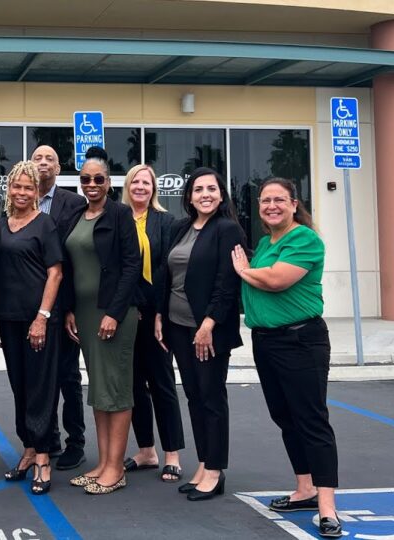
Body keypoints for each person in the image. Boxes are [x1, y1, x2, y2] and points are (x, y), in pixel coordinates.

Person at [231, 177, 341, 538]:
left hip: (300, 340)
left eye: (279, 199)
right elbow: (260, 280)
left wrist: (244, 271)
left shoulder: (305, 239)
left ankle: (327, 507)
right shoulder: (266, 243)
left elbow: (277, 280)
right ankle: (305, 488)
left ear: (294, 204)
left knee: (311, 420)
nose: (272, 206)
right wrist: (251, 272)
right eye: (265, 200)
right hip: (267, 342)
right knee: (286, 418)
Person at [155, 167, 244, 502]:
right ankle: (204, 463)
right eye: (198, 190)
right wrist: (160, 314)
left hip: (207, 330)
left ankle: (215, 471)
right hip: (177, 326)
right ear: (189, 197)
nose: (205, 194)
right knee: (194, 396)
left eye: (211, 189)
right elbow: (167, 274)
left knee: (212, 397)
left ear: (221, 194)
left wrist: (209, 324)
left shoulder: (227, 229)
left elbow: (227, 282)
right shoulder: (180, 228)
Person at [62, 156, 142, 495]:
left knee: (116, 388)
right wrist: (69, 309)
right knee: (98, 388)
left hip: (113, 314)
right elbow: (70, 267)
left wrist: (115, 313)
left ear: (109, 182)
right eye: (85, 179)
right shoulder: (76, 215)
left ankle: (115, 467)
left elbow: (131, 265)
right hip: (83, 313)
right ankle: (104, 462)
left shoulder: (120, 214)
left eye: (98, 179)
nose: (91, 185)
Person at [0, 161, 63, 495]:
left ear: (36, 192)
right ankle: (29, 449)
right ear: (9, 189)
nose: (21, 192)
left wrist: (42, 317)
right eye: (16, 186)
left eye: (28, 187)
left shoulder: (45, 224)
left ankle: (44, 456)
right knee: (19, 386)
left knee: (40, 387)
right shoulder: (0, 225)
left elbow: (55, 273)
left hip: (38, 321)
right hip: (8, 319)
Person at [120, 164, 186, 482]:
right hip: (127, 314)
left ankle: (172, 454)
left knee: (162, 384)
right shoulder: (118, 219)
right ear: (128, 186)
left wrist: (160, 311)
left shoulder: (166, 221)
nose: (141, 187)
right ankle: (146, 451)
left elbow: (167, 269)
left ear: (154, 188)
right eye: (136, 181)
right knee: (133, 385)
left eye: (146, 182)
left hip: (157, 314)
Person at [31, 144, 88, 471]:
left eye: (49, 159)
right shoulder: (20, 200)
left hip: (63, 305)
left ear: (58, 167)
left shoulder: (74, 203)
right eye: (37, 158)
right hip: (30, 305)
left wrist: (71, 307)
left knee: (68, 376)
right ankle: (47, 437)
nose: (43, 163)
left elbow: (77, 259)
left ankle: (75, 442)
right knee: (41, 378)